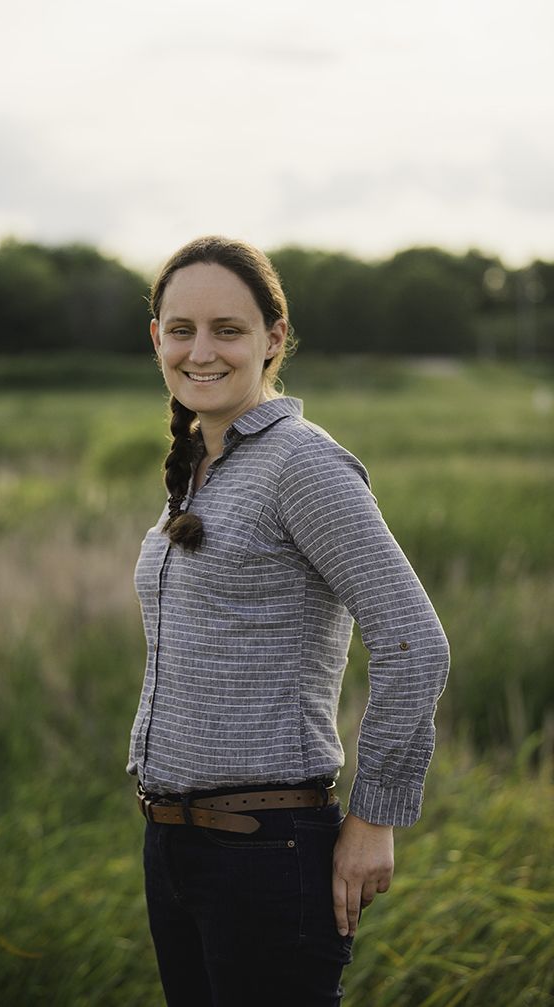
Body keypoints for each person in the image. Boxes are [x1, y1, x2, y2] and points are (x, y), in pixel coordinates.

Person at [126, 235, 450, 1007]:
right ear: (157, 339)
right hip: (176, 844)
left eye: (227, 330)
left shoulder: (302, 464)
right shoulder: (201, 467)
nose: (201, 350)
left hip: (266, 855)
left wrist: (376, 817)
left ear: (273, 340)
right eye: (182, 329)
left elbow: (415, 644)